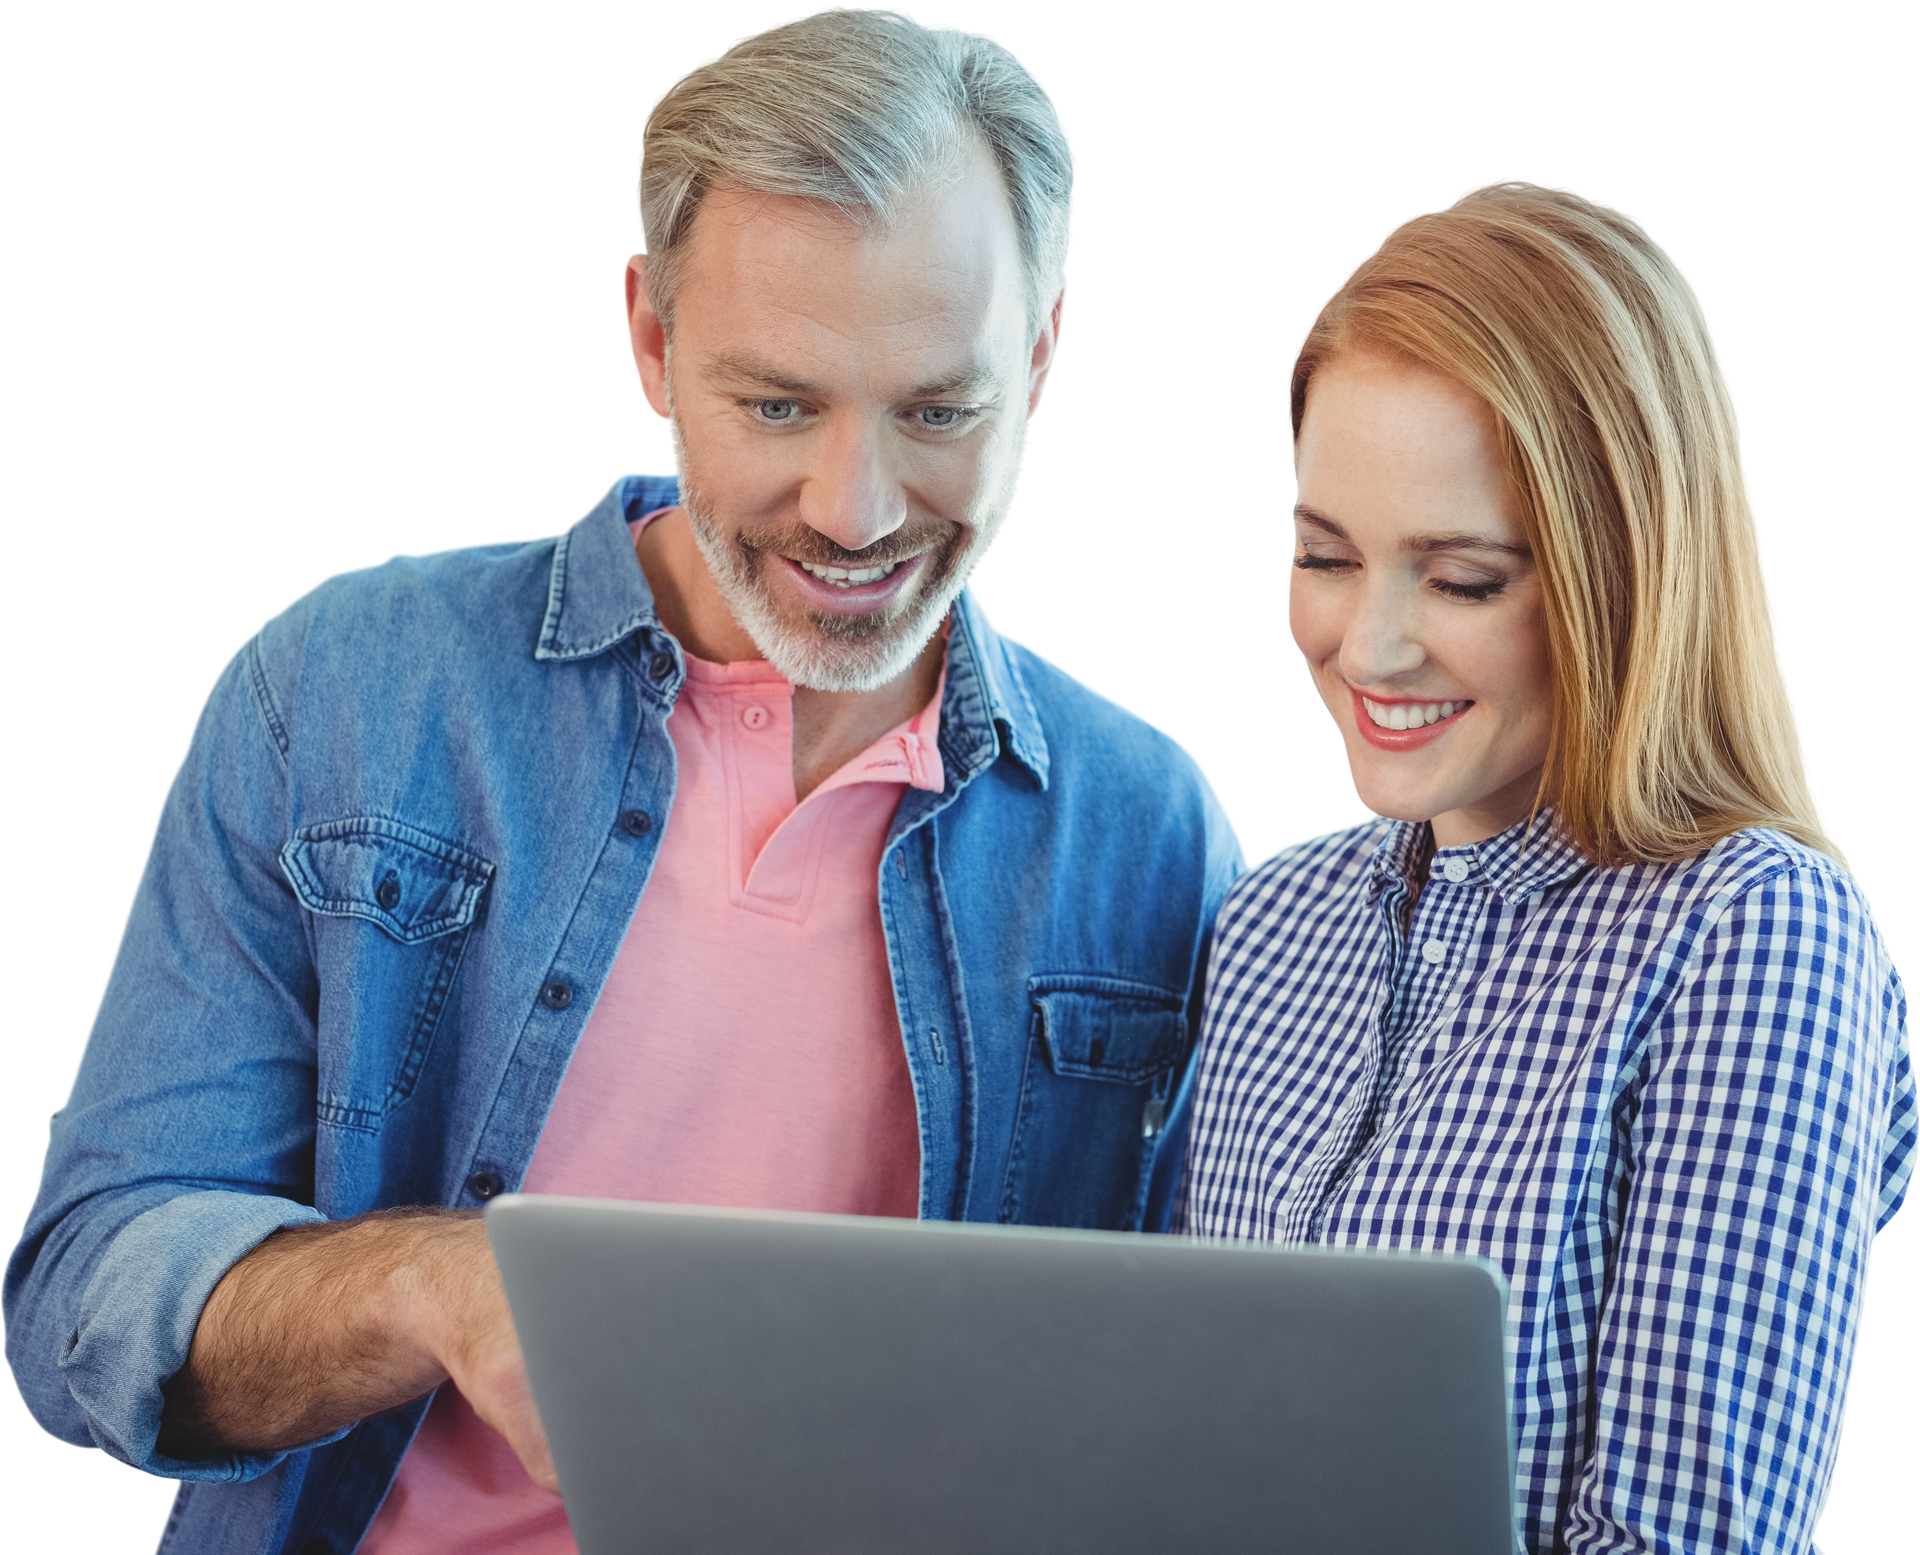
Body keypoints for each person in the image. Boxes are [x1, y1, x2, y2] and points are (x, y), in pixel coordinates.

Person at [2, 9, 1245, 1552]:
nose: (856, 510)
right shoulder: (343, 689)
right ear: (651, 336)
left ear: (1042, 351)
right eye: (778, 404)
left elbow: (1188, 1407)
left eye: (941, 410)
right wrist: (436, 1286)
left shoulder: (1152, 833)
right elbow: (83, 1295)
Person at [1180, 173, 1915, 1554]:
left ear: (1619, 576)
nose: (1370, 645)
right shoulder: (1272, 918)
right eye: (1325, 556)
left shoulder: (1752, 936)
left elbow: (1686, 1545)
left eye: (1463, 578)